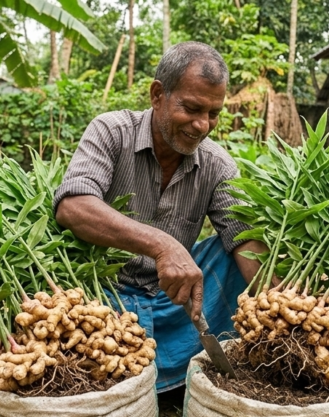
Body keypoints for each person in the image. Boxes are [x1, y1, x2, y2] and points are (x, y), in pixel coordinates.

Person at [53, 42, 267, 392]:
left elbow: (245, 238)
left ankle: (154, 367)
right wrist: (162, 245)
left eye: (213, 113)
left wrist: (288, 316)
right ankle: (132, 366)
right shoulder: (111, 131)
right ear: (157, 95)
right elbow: (72, 205)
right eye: (192, 108)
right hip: (102, 298)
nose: (202, 125)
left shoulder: (217, 164)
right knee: (51, 292)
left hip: (175, 303)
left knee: (235, 254)